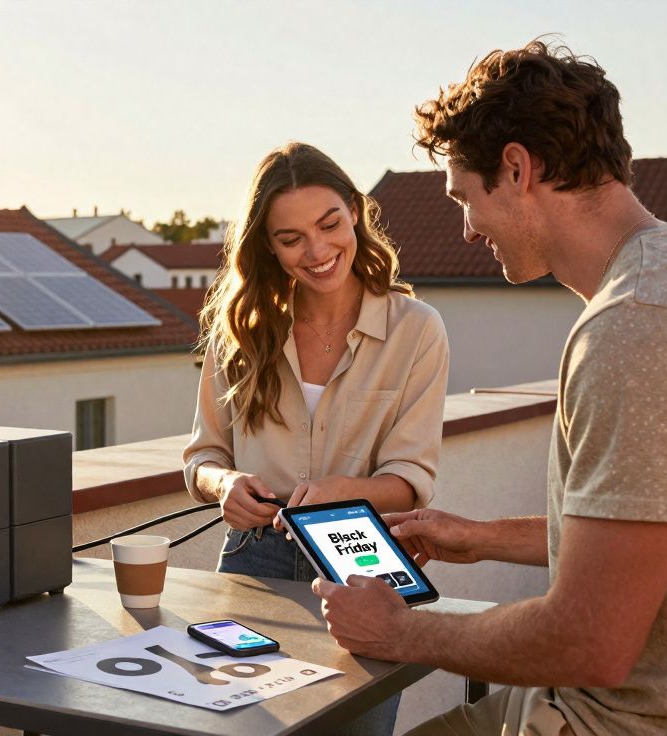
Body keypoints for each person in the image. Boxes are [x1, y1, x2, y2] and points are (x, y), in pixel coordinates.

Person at [312, 39, 667, 735]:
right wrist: (480, 536)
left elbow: (591, 639)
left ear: (518, 168)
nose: (465, 229)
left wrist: (399, 632)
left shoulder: (642, 326)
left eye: (466, 197)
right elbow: (650, 543)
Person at [184, 141, 450, 735]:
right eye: (291, 238)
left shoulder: (417, 331)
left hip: (362, 560)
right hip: (253, 558)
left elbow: (412, 483)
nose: (318, 250)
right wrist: (223, 485)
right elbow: (203, 455)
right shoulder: (243, 328)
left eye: (330, 224)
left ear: (355, 211)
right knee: (246, 725)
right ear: (268, 247)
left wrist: (340, 491)